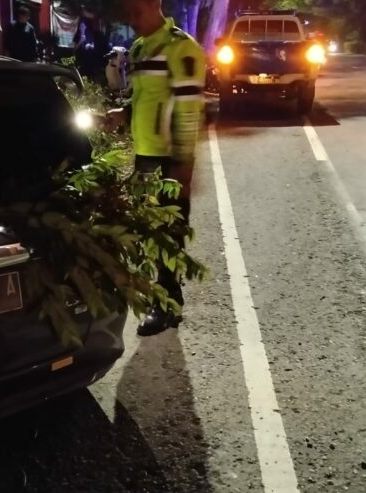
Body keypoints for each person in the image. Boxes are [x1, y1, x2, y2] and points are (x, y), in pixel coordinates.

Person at [108, 0, 205, 336]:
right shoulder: (138, 48)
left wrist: (182, 166)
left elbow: (189, 111)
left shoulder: (180, 47)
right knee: (147, 230)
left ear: (155, 4)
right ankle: (163, 296)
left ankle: (167, 306)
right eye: (129, 12)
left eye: (137, 11)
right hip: (145, 154)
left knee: (168, 233)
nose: (132, 19)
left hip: (169, 158)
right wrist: (123, 113)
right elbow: (143, 97)